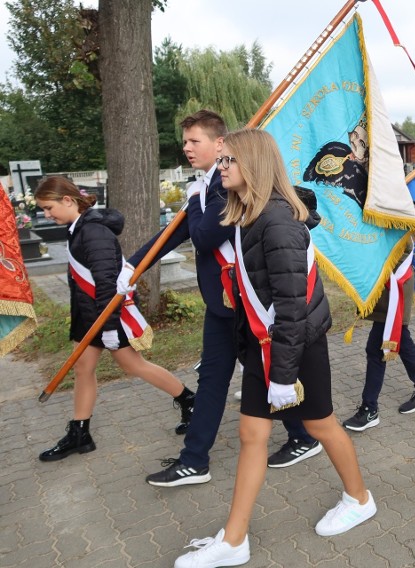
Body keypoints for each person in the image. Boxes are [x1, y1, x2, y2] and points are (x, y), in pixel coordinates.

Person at [173, 129, 375, 567]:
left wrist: (282, 374)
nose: (220, 168)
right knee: (252, 434)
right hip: (271, 347)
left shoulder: (278, 221)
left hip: (295, 346)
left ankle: (359, 498)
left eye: (227, 161)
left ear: (253, 165)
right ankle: (234, 540)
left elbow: (292, 307)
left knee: (321, 426)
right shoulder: (250, 213)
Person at [117, 111, 317, 487]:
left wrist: (195, 197)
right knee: (213, 379)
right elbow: (174, 234)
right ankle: (195, 460)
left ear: (220, 144)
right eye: (186, 141)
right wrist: (132, 266)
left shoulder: (226, 186)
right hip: (223, 304)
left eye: (195, 141)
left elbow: (206, 235)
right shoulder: (207, 185)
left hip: (246, 305)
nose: (187, 148)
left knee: (264, 373)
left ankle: (304, 435)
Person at [34, 176, 195, 462]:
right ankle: (80, 433)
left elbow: (107, 283)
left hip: (105, 315)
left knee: (133, 365)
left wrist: (109, 328)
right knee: (83, 369)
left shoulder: (93, 232)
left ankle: (190, 401)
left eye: (49, 208)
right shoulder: (78, 228)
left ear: (68, 200)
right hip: (89, 315)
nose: (47, 215)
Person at [342, 243, 415, 431]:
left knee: (378, 348)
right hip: (386, 282)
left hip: (394, 283)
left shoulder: (401, 214)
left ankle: (369, 409)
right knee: (400, 339)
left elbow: (401, 246)